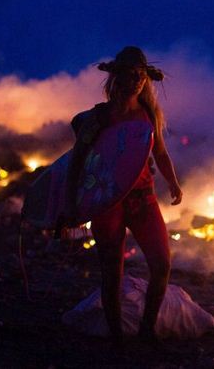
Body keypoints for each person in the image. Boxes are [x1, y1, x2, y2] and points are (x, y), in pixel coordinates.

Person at [64, 46, 182, 347]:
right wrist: (71, 203)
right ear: (115, 77)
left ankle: (146, 330)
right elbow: (78, 160)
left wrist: (173, 182)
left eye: (140, 75)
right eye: (129, 74)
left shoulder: (148, 114)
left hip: (143, 199)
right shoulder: (100, 117)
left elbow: (160, 152)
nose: (136, 81)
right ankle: (116, 335)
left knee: (161, 265)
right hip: (107, 201)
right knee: (111, 270)